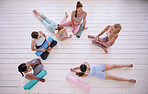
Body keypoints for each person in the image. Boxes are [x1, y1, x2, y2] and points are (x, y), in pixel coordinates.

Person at [70, 62, 136, 83]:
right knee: (114, 77)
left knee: (113, 67)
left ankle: (127, 65)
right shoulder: (85, 63)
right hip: (98, 70)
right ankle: (129, 79)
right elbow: (80, 66)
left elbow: (79, 71)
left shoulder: (84, 74)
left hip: (98, 71)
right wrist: (75, 69)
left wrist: (74, 70)